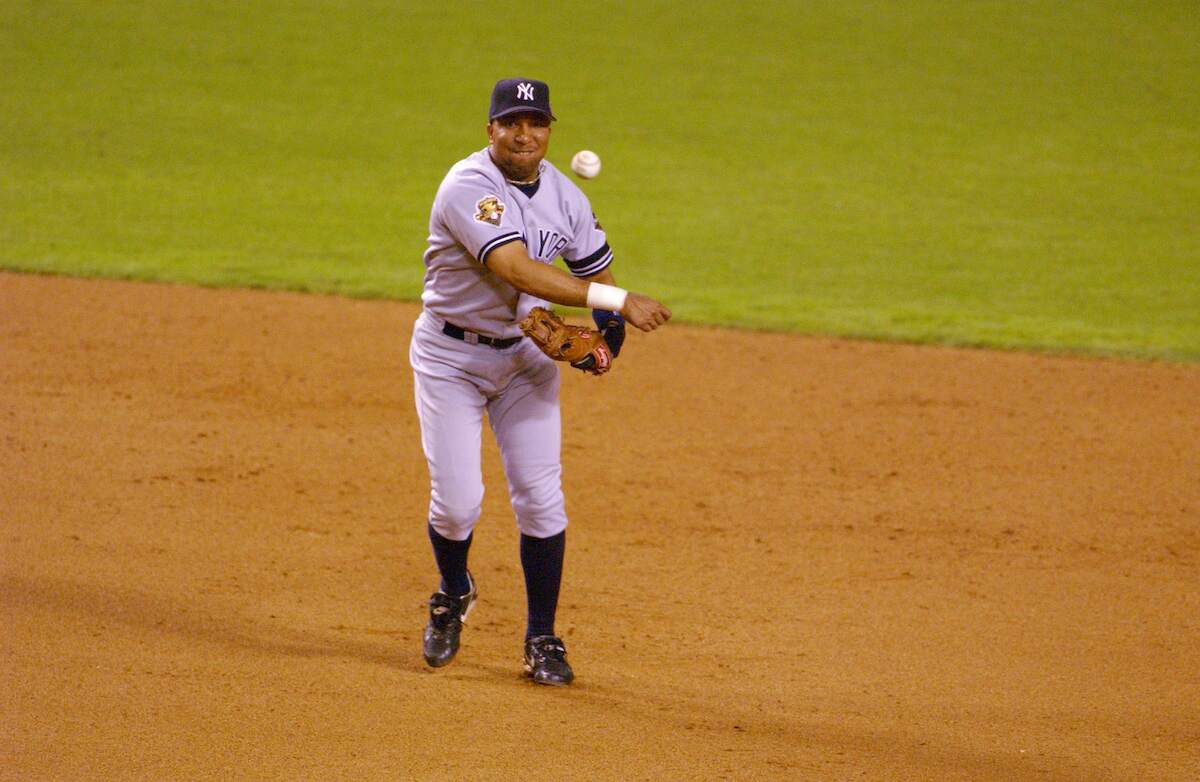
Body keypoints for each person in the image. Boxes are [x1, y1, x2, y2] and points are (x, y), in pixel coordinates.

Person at [409, 78, 671, 686]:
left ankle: (542, 639)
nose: (524, 134)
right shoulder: (469, 187)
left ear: (550, 129)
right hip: (450, 358)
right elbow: (514, 267)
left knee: (541, 497)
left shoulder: (567, 197)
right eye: (511, 122)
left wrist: (607, 339)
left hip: (522, 362)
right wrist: (619, 299)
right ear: (491, 129)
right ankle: (454, 589)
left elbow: (594, 269)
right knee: (457, 505)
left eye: (536, 122)